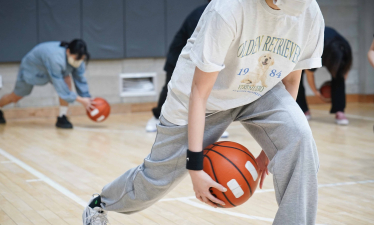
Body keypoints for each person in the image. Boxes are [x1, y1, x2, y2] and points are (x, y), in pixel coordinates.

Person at [83, 0, 324, 224]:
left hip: (258, 88)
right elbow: (199, 91)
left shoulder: (309, 12)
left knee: (300, 139)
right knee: (154, 181)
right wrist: (195, 167)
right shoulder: (228, 9)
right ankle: (100, 203)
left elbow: (292, 79)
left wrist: (270, 149)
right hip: (205, 98)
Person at [145, 1, 230, 138]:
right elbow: (201, 45)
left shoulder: (229, 15)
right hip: (181, 59)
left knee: (208, 91)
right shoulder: (202, 14)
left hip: (202, 60)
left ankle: (208, 126)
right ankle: (156, 117)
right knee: (170, 90)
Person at [0, 39, 94, 128]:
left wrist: (89, 100)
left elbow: (80, 79)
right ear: (68, 51)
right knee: (16, 97)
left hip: (52, 70)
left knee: (66, 79)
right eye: (77, 58)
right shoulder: (55, 58)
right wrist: (81, 100)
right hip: (32, 69)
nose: (79, 61)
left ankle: (62, 117)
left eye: (81, 58)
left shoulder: (79, 58)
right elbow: (60, 87)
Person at [296, 27, 352, 125]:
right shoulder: (315, 51)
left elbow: (344, 73)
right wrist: (317, 93)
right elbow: (310, 74)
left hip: (332, 45)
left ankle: (340, 111)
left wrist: (336, 93)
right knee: (298, 76)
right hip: (309, 46)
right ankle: (304, 110)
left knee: (339, 77)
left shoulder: (345, 49)